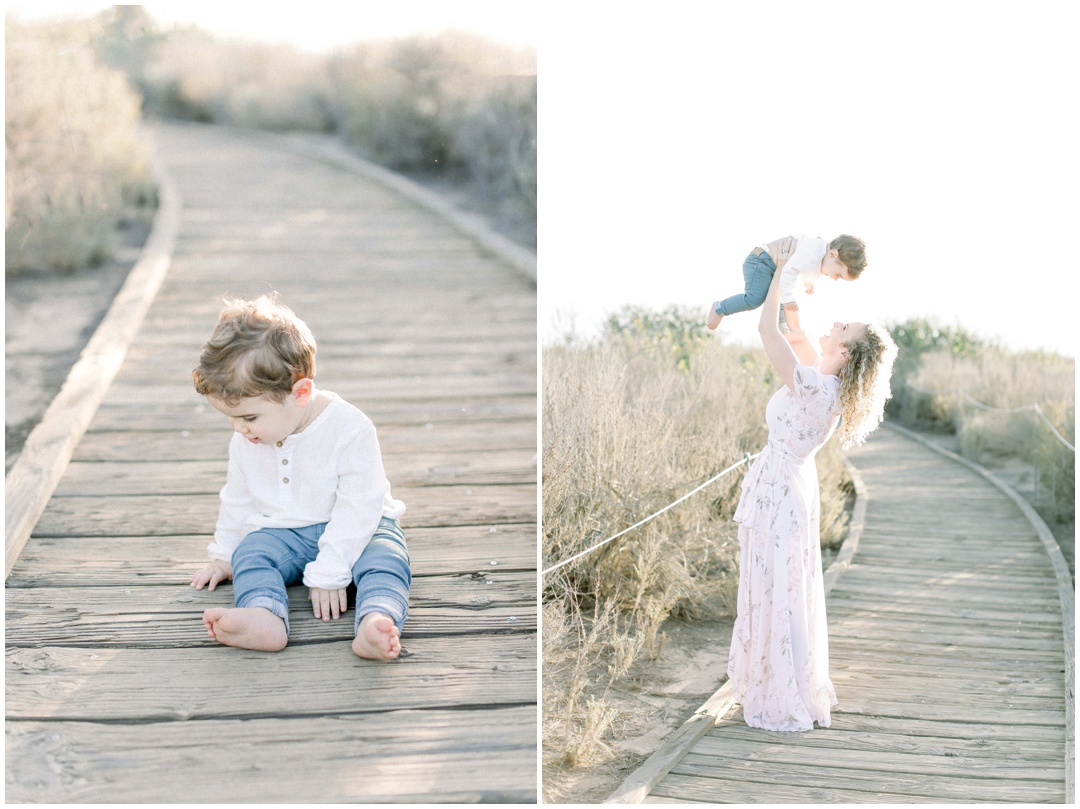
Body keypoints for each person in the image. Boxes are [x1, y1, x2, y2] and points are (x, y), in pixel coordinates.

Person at [726, 237, 895, 731]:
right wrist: (797, 284)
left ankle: (778, 691)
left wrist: (780, 269)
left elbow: (765, 326)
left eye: (843, 327)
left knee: (776, 589)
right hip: (785, 489)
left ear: (844, 351)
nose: (835, 323)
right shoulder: (825, 381)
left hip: (780, 494)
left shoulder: (816, 388)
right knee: (780, 588)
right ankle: (779, 682)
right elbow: (791, 330)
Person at [188, 295, 410, 660]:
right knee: (252, 553)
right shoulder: (246, 438)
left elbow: (360, 504)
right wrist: (224, 555)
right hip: (285, 532)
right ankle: (264, 615)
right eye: (230, 418)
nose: (239, 428)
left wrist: (332, 570)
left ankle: (377, 620)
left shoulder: (350, 429)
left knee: (385, 558)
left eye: (249, 417)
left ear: (300, 393)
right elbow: (238, 498)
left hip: (361, 526)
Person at [707, 233, 867, 338]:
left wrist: (808, 281)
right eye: (838, 275)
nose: (835, 279)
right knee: (756, 299)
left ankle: (784, 326)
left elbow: (801, 267)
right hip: (761, 261)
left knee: (785, 293)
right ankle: (720, 308)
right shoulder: (812, 254)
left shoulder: (820, 255)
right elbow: (790, 269)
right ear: (833, 254)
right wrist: (789, 298)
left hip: (770, 264)